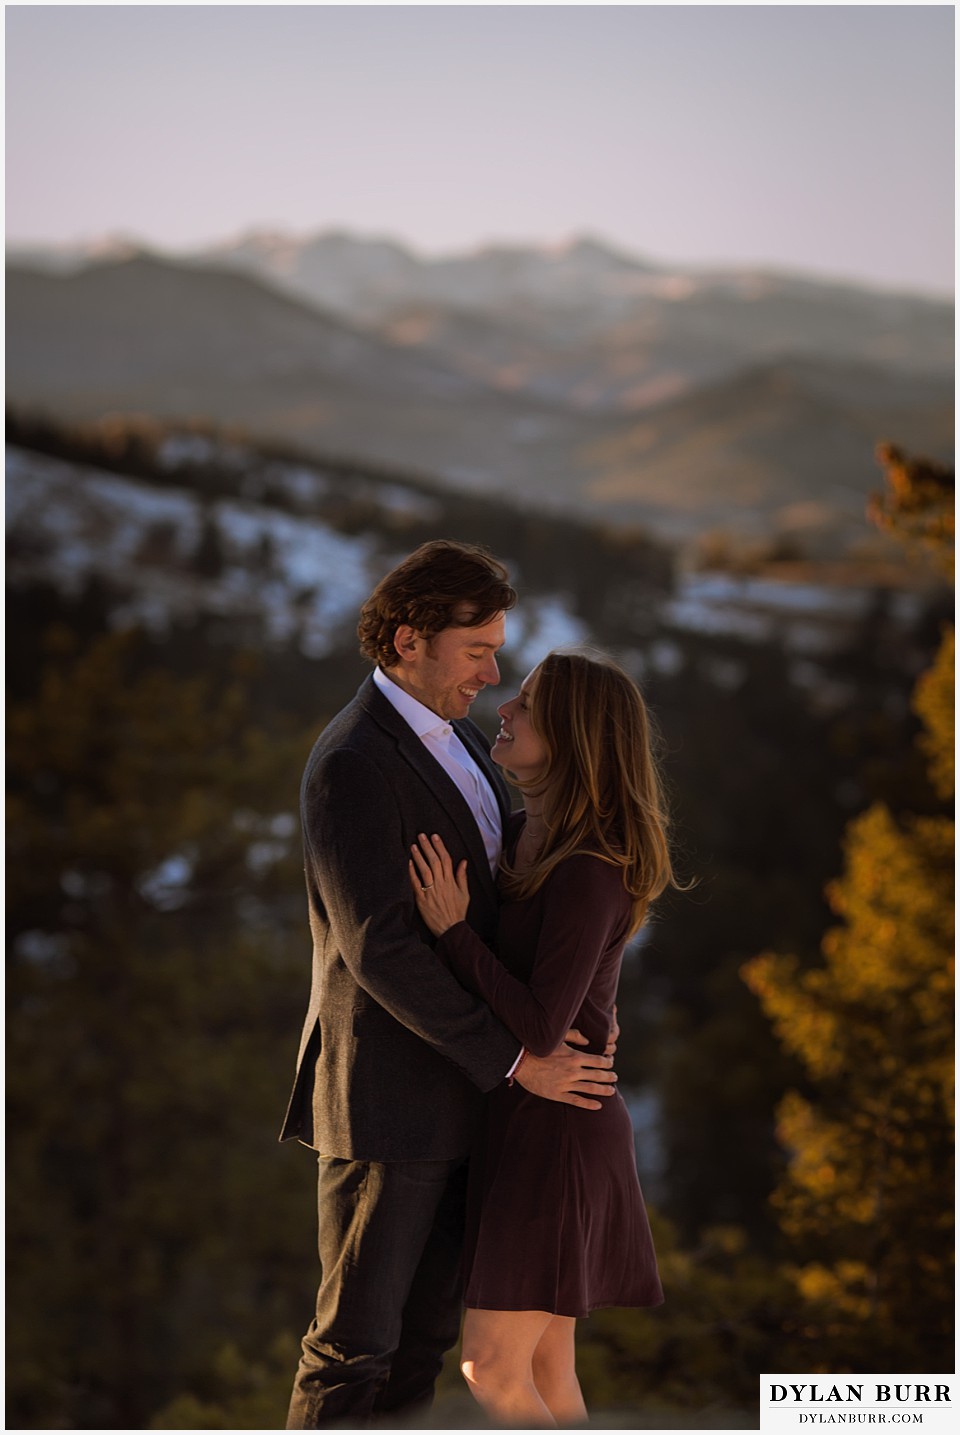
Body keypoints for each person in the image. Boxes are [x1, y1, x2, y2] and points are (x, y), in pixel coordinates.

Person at [280, 541, 620, 1429]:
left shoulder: (465, 743)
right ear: (408, 640)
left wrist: (579, 1014)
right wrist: (519, 1060)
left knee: (423, 1348)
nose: (493, 671)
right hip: (388, 1108)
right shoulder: (354, 761)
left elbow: (516, 911)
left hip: (476, 1106)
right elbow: (380, 947)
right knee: (354, 1349)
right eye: (477, 649)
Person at [409, 648, 681, 1428]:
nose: (506, 707)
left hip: (561, 1131)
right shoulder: (520, 833)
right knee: (545, 1368)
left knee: (489, 1365)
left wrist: (455, 933)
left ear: (571, 735)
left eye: (526, 702)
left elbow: (539, 1023)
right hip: (525, 1119)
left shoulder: (591, 868)